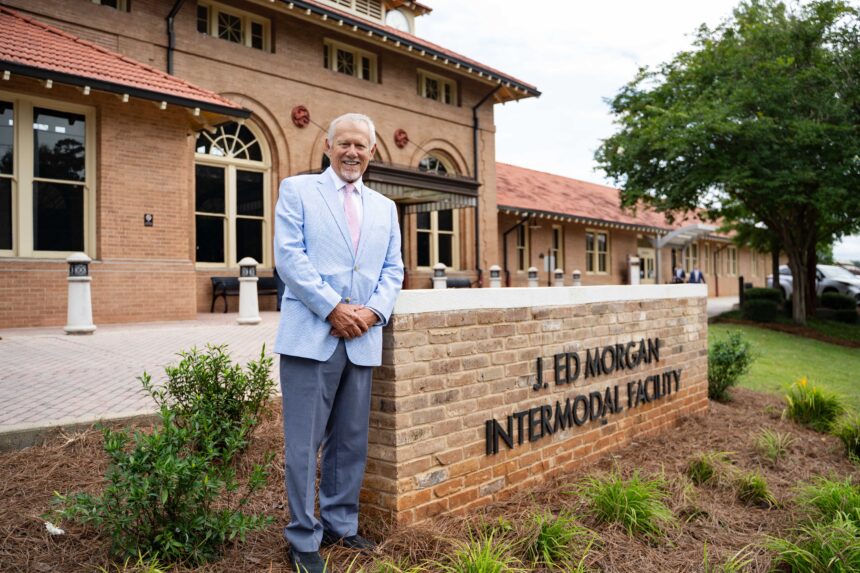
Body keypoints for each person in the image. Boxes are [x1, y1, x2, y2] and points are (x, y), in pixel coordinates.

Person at [273, 113, 404, 573]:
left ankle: (340, 526)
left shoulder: (386, 208)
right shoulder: (297, 190)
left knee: (350, 442)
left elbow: (393, 270)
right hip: (312, 335)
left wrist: (373, 312)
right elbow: (289, 258)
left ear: (372, 152)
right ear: (328, 146)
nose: (352, 152)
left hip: (363, 338)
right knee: (303, 445)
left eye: (360, 145)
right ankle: (302, 536)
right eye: (344, 143)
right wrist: (333, 308)